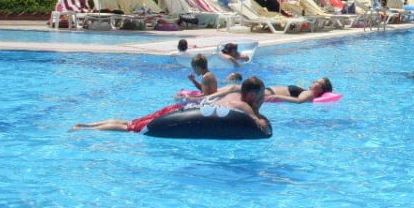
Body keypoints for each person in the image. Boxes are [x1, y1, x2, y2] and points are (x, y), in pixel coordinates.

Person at [72, 76, 269, 133]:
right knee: (130, 128)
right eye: (260, 95)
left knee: (129, 121)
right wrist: (260, 115)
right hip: (180, 116)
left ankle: (87, 124)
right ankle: (87, 130)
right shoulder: (244, 106)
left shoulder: (233, 90)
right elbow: (260, 127)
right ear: (251, 95)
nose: (262, 99)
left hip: (178, 110)